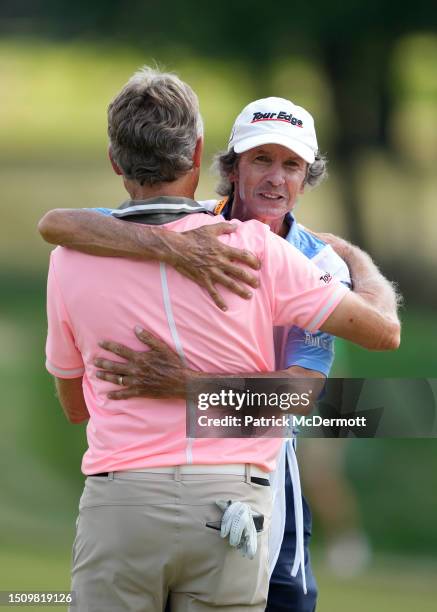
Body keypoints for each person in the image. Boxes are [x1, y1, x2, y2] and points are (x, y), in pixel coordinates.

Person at [42, 67, 400, 612]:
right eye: (261, 160)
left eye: (292, 165)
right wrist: (177, 250)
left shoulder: (315, 262)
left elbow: (296, 402)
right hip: (209, 479)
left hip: (263, 463)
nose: (276, 179)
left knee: (288, 599)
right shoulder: (185, 228)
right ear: (225, 166)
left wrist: (188, 388)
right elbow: (59, 224)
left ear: (308, 178)